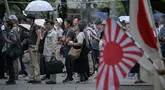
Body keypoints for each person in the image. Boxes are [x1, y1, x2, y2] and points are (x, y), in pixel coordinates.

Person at [2, 15, 20, 85]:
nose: (5, 25)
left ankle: (12, 79)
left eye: (6, 24)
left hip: (11, 49)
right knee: (10, 64)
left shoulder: (13, 29)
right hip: (12, 49)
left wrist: (6, 40)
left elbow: (15, 40)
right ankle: (11, 79)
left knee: (10, 65)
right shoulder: (13, 29)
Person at [26, 14, 41, 83]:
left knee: (35, 63)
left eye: (28, 18)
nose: (26, 20)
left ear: (31, 19)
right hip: (31, 46)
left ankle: (37, 77)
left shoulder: (35, 26)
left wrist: (37, 46)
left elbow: (39, 36)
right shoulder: (32, 26)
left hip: (33, 46)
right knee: (32, 63)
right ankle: (33, 77)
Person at [43, 20, 58, 84]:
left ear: (52, 25)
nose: (47, 26)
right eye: (46, 24)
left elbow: (54, 43)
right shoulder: (47, 32)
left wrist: (53, 53)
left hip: (50, 52)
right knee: (49, 66)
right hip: (46, 52)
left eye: (48, 24)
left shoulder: (54, 33)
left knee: (52, 66)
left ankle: (53, 80)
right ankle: (51, 78)